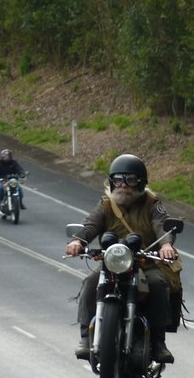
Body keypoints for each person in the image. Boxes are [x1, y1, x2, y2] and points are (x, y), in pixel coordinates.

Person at [65, 154, 179, 364]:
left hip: (145, 263)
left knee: (158, 284)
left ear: (141, 183)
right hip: (111, 263)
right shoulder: (106, 205)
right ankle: (86, 338)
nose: (124, 185)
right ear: (111, 182)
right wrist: (77, 241)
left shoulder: (152, 204)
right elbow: (90, 225)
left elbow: (162, 225)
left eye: (130, 180)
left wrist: (165, 245)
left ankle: (158, 341)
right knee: (90, 283)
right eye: (118, 180)